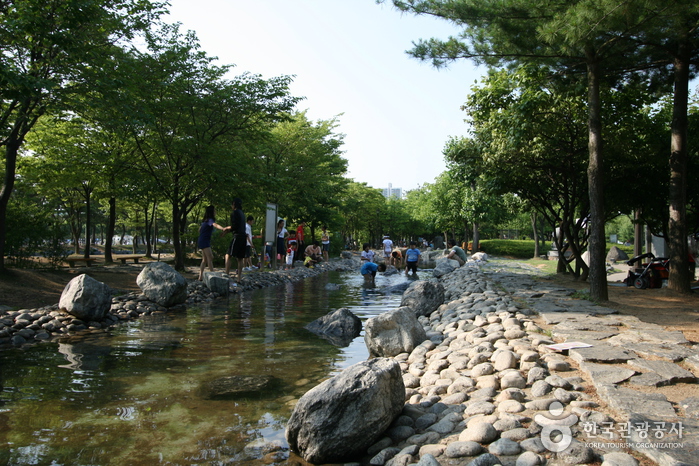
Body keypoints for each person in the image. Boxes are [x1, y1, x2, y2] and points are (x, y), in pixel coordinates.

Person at [197, 205, 225, 281]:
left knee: (205, 259)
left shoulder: (205, 221)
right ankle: (212, 274)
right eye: (214, 210)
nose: (215, 212)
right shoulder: (210, 220)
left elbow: (199, 230)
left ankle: (200, 277)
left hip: (202, 240)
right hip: (204, 240)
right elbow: (215, 225)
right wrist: (223, 228)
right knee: (210, 257)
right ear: (211, 212)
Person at [222, 198, 247, 285]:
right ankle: (239, 278)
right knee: (240, 258)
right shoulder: (242, 214)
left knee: (228, 255)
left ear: (234, 204)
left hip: (237, 237)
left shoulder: (234, 213)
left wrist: (227, 228)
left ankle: (227, 275)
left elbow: (234, 226)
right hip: (243, 237)